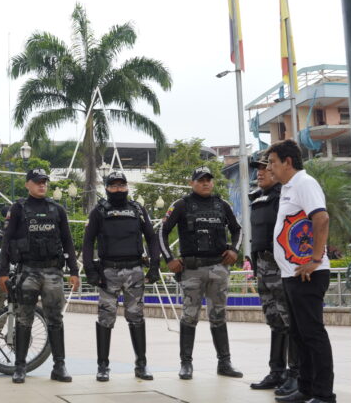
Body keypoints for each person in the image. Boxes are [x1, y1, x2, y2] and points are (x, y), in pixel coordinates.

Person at [266, 140, 335, 403]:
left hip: (308, 273)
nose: (270, 168)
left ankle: (324, 394)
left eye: (273, 162)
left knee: (313, 334)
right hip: (292, 274)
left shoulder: (304, 183)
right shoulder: (287, 188)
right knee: (299, 334)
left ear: (288, 162)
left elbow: (322, 218)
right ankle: (306, 388)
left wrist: (315, 258)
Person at [0, 168, 80, 384]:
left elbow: (68, 242)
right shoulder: (18, 209)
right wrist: (3, 272)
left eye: (44, 182)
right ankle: (20, 366)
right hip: (28, 271)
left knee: (55, 319)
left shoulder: (57, 209)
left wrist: (74, 271)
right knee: (24, 318)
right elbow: (6, 241)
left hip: (53, 272)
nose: (42, 185)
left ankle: (59, 366)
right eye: (37, 182)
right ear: (27, 184)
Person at [159, 166, 243, 380]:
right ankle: (186, 364)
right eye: (200, 180)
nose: (206, 183)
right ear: (192, 183)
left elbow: (237, 229)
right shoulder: (181, 205)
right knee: (189, 316)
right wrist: (169, 259)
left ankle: (225, 362)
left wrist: (234, 250)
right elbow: (162, 231)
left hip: (218, 268)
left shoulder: (222, 205)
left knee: (218, 315)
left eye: (208, 179)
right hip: (192, 270)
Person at [82, 171, 161, 382]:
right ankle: (102, 366)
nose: (118, 189)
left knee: (136, 316)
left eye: (122, 185)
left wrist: (155, 265)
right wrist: (89, 269)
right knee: (105, 318)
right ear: (107, 188)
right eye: (114, 186)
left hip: (135, 270)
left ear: (127, 187)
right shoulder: (98, 211)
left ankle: (141, 365)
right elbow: (88, 242)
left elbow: (152, 238)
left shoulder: (137, 209)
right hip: (108, 272)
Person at [248, 152, 300, 394]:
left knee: (290, 322)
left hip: (280, 266)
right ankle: (276, 371)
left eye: (265, 167)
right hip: (262, 266)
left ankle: (296, 374)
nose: (260, 172)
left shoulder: (284, 197)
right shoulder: (259, 198)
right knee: (274, 321)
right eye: (257, 168)